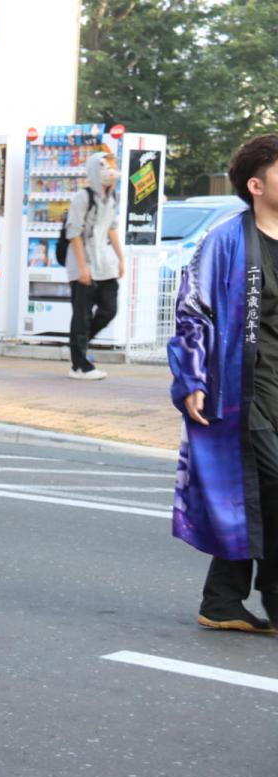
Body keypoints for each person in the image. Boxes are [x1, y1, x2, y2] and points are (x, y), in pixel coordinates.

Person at [169, 134, 278, 635]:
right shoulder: (228, 241)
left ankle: (222, 599)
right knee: (267, 486)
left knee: (256, 494)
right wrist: (191, 376)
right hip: (244, 390)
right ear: (256, 185)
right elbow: (193, 310)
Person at [65, 151, 125, 380]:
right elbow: (74, 233)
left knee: (110, 309)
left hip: (104, 263)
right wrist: (81, 268)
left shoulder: (112, 197)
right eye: (104, 167)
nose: (110, 172)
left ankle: (79, 346)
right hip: (82, 263)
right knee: (82, 316)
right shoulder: (83, 197)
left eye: (111, 167)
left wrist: (121, 258)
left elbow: (112, 228)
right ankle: (80, 367)